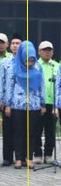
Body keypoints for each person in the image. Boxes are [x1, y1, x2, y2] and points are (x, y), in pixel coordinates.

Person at [4, 41, 46, 168]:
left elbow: (41, 86)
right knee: (18, 132)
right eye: (27, 60)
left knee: (31, 132)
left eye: (32, 60)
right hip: (17, 105)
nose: (30, 63)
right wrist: (8, 104)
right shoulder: (14, 68)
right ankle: (19, 158)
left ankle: (29, 158)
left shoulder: (38, 68)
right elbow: (9, 87)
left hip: (33, 105)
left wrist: (42, 104)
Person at [34, 41, 59, 164]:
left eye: (49, 50)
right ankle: (37, 154)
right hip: (38, 103)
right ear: (39, 52)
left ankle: (48, 154)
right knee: (36, 130)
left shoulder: (56, 66)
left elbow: (59, 86)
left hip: (52, 103)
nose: (47, 52)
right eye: (44, 50)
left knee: (50, 131)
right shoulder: (35, 66)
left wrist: (57, 105)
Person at [0, 34, 22, 166]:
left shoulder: (26, 61)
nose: (15, 46)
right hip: (7, 100)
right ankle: (7, 157)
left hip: (20, 101)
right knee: (7, 129)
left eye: (17, 43)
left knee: (19, 130)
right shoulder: (5, 62)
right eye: (13, 43)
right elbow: (1, 82)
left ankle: (21, 156)